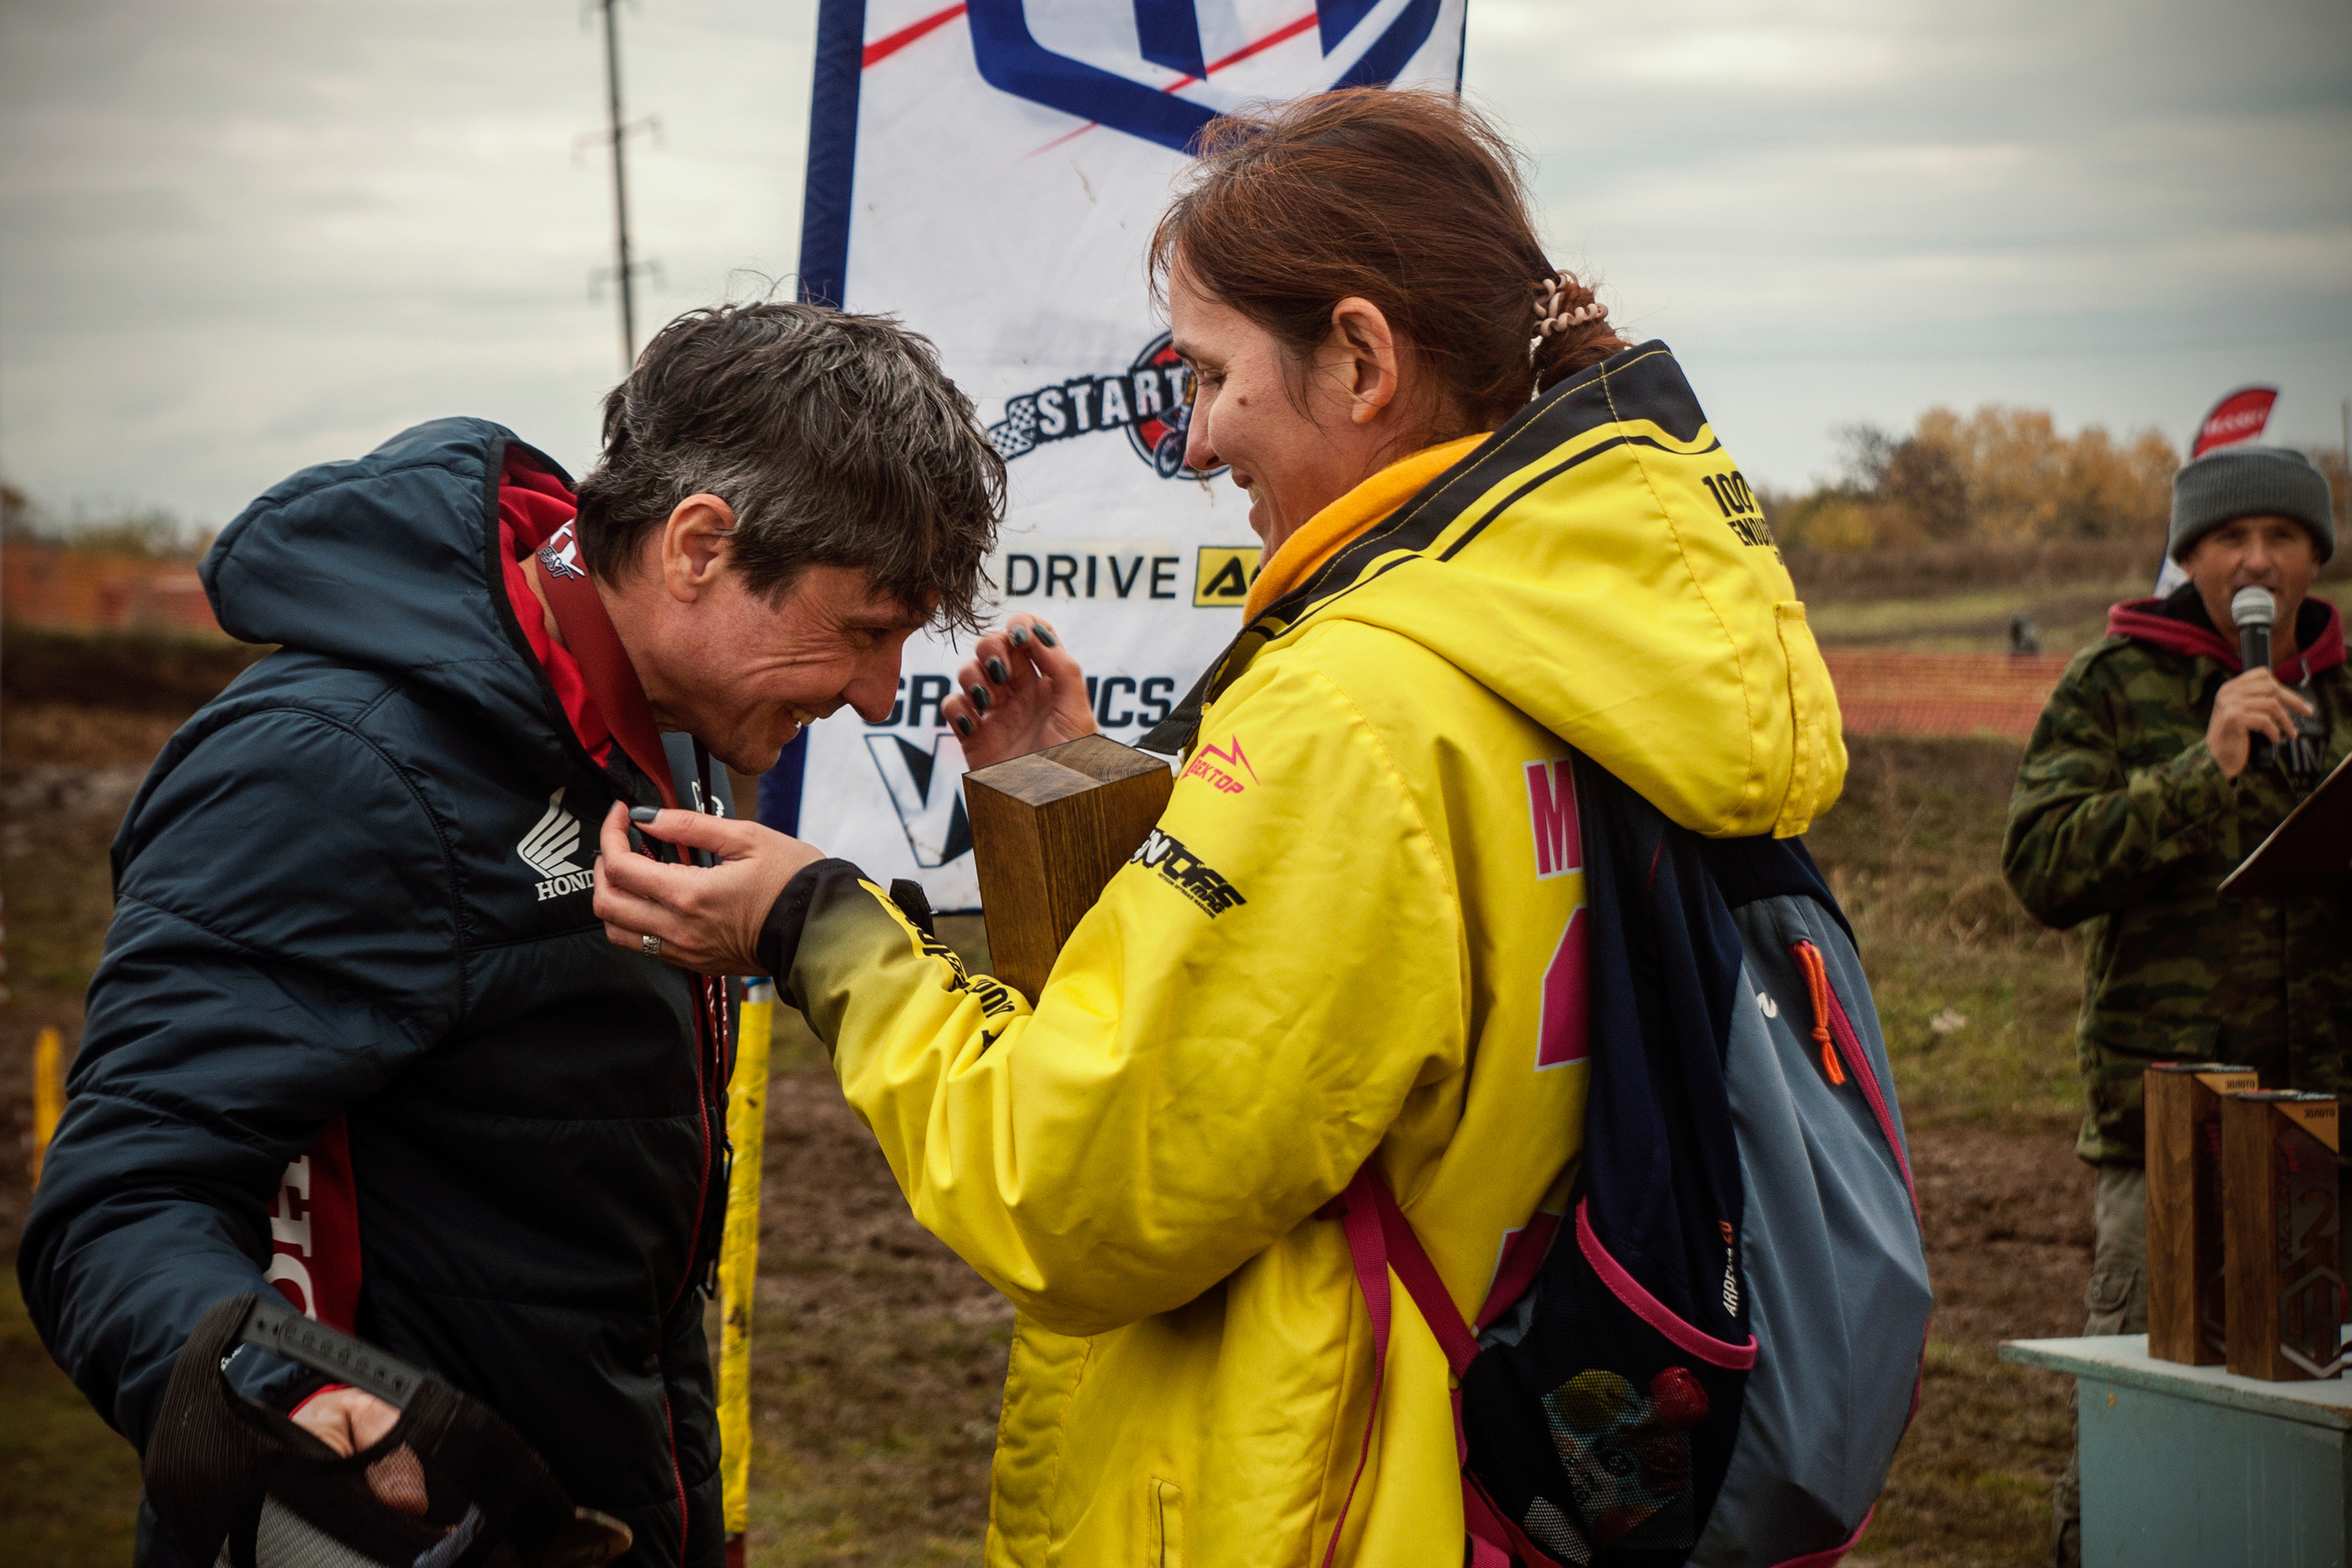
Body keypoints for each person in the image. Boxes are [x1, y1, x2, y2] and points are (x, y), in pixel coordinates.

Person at [593, 91, 1848, 1564]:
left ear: (1363, 359)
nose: (1190, 441)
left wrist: (823, 925)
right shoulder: (1582, 649)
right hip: (1503, 1469)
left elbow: (1076, 1180)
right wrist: (1097, 811)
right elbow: (1355, 1033)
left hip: (1329, 1492)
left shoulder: (1362, 710)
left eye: (1209, 372)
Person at [18, 302, 1004, 1567]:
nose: (878, 692)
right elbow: (122, 1196)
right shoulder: (333, 764)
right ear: (699, 545)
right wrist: (285, 1405)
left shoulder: (642, 731)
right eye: (866, 630)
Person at [2002, 443, 2349, 1567]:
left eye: (2282, 538)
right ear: (2188, 555)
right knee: (2145, 1414)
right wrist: (2205, 768)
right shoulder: (2113, 683)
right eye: (2227, 539)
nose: (2256, 560)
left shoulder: (2345, 689)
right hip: (2170, 1133)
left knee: (2322, 1423)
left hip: (2333, 1125)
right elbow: (2043, 867)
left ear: (2314, 558)